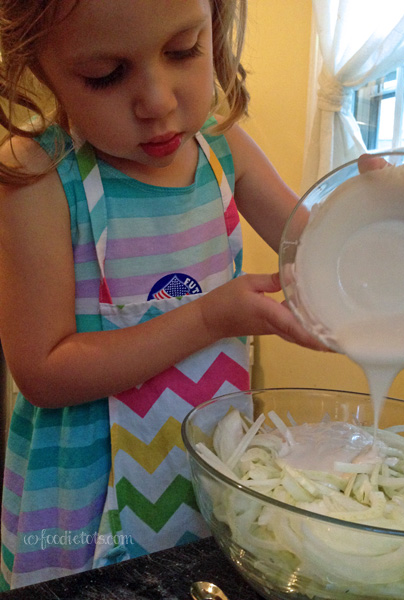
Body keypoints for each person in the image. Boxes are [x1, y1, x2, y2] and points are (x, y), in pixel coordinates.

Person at [0, 0, 325, 590]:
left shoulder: (226, 153)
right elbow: (43, 372)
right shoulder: (39, 177)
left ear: (217, 28)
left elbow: (328, 255)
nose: (157, 100)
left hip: (207, 475)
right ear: (39, 68)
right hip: (85, 506)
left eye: (183, 51)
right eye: (105, 74)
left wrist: (398, 211)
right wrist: (207, 317)